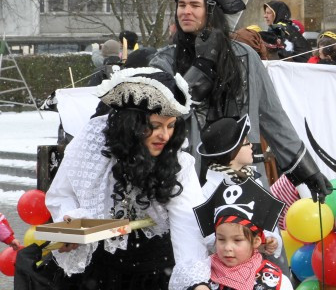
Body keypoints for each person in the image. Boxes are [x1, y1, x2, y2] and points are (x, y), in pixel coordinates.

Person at [150, 0, 330, 197]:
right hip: (188, 178)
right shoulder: (163, 61)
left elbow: (273, 117)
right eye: (182, 5)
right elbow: (166, 114)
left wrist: (306, 171)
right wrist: (202, 67)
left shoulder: (245, 56)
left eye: (195, 5)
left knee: (249, 233)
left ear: (210, 10)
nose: (186, 11)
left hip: (245, 176)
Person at [42, 67, 211, 290]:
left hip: (154, 273)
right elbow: (62, 194)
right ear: (132, 124)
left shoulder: (179, 163)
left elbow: (188, 225)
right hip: (98, 274)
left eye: (171, 126)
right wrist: (70, 225)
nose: (165, 135)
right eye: (155, 126)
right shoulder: (92, 145)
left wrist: (195, 282)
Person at [192, 179, 291, 290]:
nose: (228, 247)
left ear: (256, 241)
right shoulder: (200, 277)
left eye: (237, 240)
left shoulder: (275, 282)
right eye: (221, 239)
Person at [196, 115, 259, 194]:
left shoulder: (251, 176)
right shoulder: (210, 192)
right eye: (246, 142)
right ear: (233, 153)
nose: (251, 145)